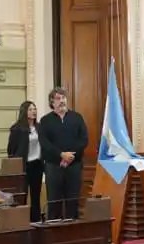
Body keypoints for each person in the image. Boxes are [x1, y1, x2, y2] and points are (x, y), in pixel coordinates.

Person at [39, 88, 88, 220]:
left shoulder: (77, 117)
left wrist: (70, 156)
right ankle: (54, 232)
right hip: (53, 166)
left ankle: (72, 232)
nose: (62, 101)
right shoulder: (45, 120)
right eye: (58, 98)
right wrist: (61, 155)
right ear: (52, 102)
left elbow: (84, 139)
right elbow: (44, 143)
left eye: (63, 98)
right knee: (54, 201)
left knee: (73, 200)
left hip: (74, 165)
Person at [6, 101, 44, 223]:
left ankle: (36, 220)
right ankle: (20, 221)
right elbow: (11, 150)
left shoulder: (39, 127)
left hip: (37, 164)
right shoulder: (17, 129)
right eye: (30, 109)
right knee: (22, 194)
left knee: (36, 195)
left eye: (35, 109)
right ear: (24, 112)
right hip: (23, 166)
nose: (33, 111)